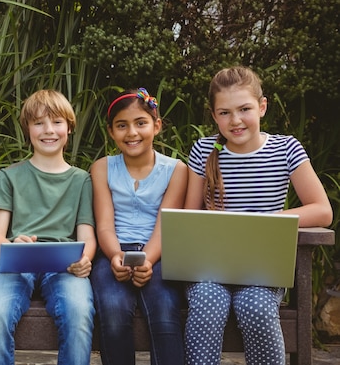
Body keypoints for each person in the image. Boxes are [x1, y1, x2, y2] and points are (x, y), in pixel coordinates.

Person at [184, 66, 333, 365]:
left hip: (262, 270)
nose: (235, 120)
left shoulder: (285, 148)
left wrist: (269, 220)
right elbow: (189, 216)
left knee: (256, 307)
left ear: (262, 107)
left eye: (244, 109)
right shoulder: (203, 151)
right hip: (211, 268)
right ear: (214, 116)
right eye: (224, 112)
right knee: (206, 303)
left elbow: (322, 210)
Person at [0, 89, 97, 365]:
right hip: (17, 260)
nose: (49, 130)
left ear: (69, 128)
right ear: (27, 130)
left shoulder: (81, 180)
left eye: (57, 122)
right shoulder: (8, 176)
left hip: (64, 264)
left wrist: (85, 259)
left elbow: (87, 236)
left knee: (79, 311)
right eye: (39, 123)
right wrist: (11, 246)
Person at [90, 88, 187, 365]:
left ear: (156, 126)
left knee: (165, 310)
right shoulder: (102, 168)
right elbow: (105, 225)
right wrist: (114, 256)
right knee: (112, 309)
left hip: (158, 253)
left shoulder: (176, 170)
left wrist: (149, 260)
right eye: (122, 126)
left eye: (140, 123)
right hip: (113, 252)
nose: (132, 132)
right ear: (111, 131)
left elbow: (164, 225)